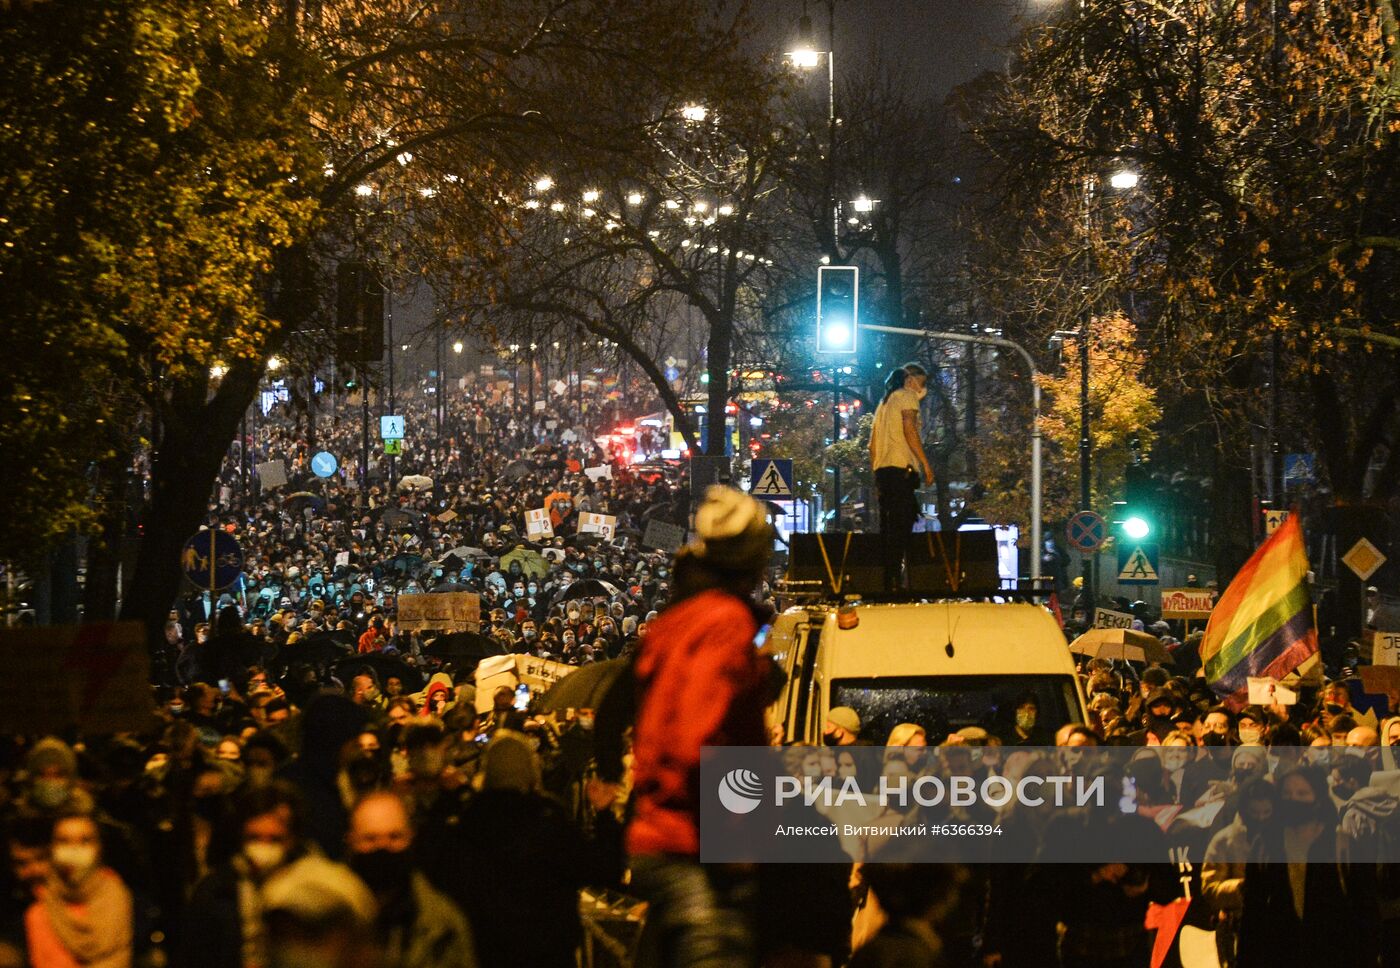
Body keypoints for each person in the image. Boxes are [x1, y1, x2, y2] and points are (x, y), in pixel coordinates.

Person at [627, 486, 778, 968]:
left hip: (659, 837)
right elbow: (698, 740)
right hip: (695, 846)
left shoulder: (675, 623)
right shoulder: (726, 626)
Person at [176, 781, 307, 968]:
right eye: (254, 837)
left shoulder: (313, 889)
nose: (263, 847)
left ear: (292, 840)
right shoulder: (214, 892)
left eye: (274, 839)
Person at [344, 791, 476, 968]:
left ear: (410, 839)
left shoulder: (442, 924)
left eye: (395, 837)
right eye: (370, 839)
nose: (383, 848)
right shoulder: (324, 915)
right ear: (351, 842)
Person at [25, 806, 134, 968]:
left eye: (85, 840)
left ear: (99, 847)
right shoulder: (40, 912)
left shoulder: (118, 899)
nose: (74, 849)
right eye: (64, 840)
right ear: (51, 848)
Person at [869, 362, 932, 589]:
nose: (922, 390)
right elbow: (910, 429)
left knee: (888, 528)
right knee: (902, 526)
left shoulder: (883, 405)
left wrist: (876, 476)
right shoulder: (906, 396)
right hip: (901, 472)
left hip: (884, 473)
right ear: (910, 379)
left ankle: (888, 579)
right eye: (921, 383)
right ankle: (897, 580)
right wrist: (925, 464)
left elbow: (872, 446)